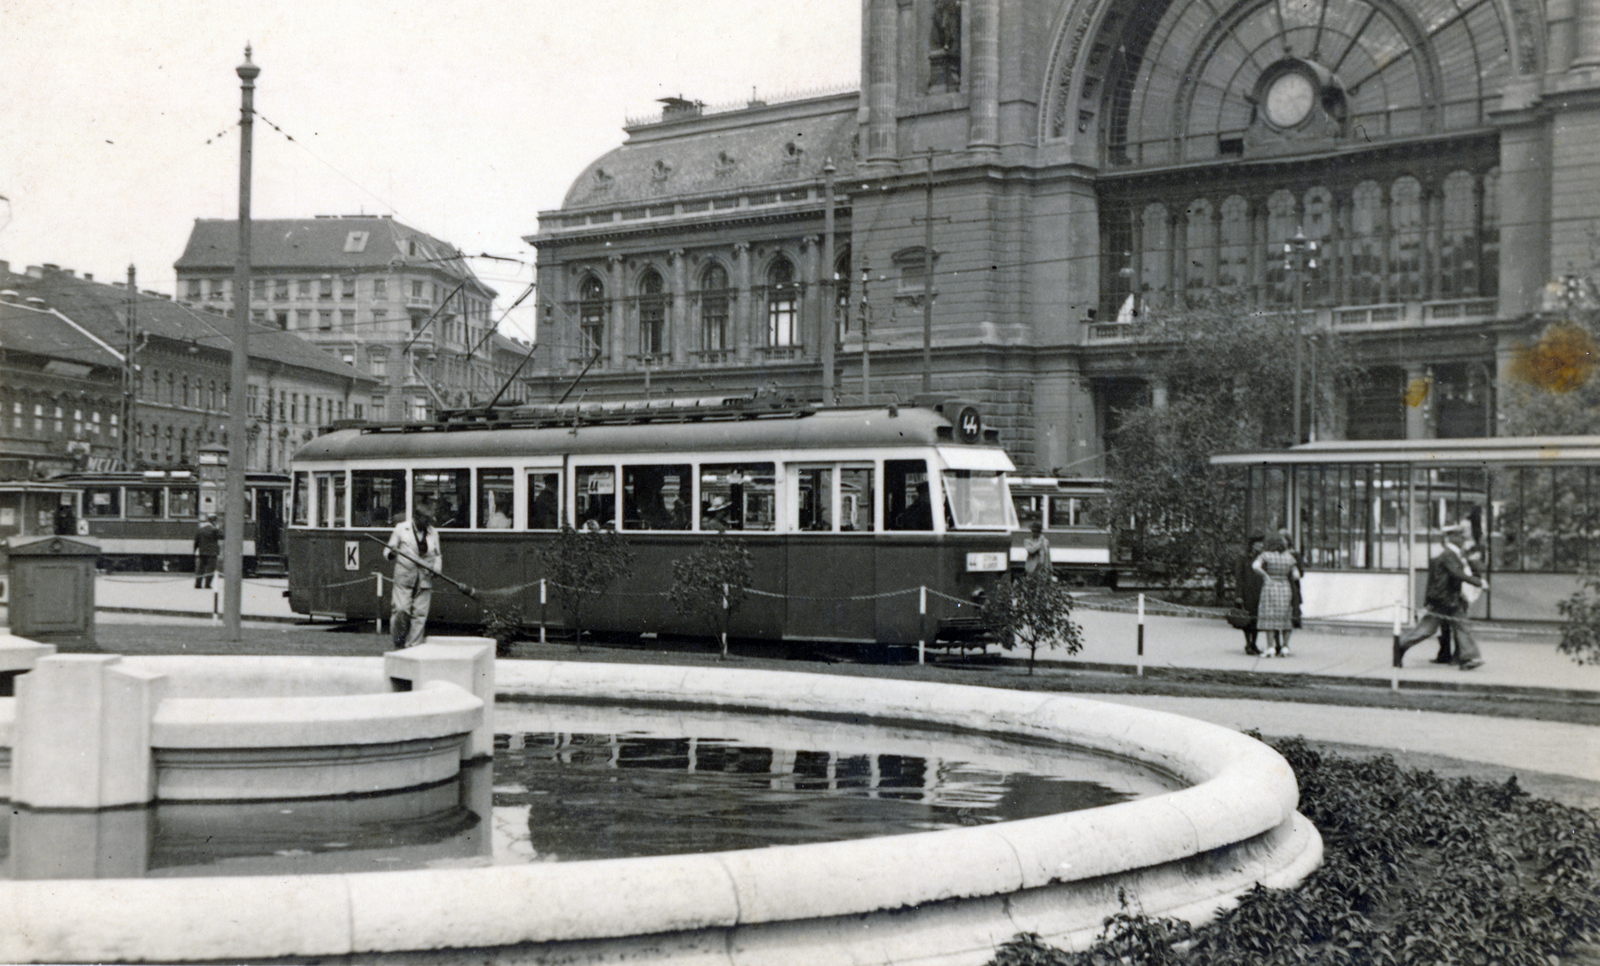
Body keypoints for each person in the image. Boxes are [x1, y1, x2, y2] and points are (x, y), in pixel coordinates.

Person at [1394, 525, 1486, 670]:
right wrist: (1479, 582)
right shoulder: (1448, 555)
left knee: (1463, 626)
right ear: (1452, 538)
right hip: (1443, 600)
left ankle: (1469, 658)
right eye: (1461, 537)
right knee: (1426, 630)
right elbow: (1456, 573)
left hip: (1452, 599)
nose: (1463, 540)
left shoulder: (1453, 554)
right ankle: (1399, 646)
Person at [385, 495, 442, 649]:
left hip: (425, 578)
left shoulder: (433, 532)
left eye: (430, 520)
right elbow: (388, 550)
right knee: (401, 610)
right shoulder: (401, 529)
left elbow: (437, 555)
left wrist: (437, 568)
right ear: (417, 517)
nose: (428, 523)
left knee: (420, 616)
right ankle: (399, 643)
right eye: (426, 519)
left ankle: (413, 648)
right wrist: (392, 553)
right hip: (404, 578)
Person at [1252, 532, 1300, 657]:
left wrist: (1265, 575)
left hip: (1270, 586)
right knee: (1285, 616)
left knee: (1269, 616)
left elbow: (1255, 566)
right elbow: (1296, 575)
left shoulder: (1266, 555)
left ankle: (1270, 647)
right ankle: (1285, 647)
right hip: (1285, 587)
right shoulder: (1289, 557)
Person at [1236, 534, 1265, 655]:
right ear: (1252, 545)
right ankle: (1248, 643)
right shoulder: (1243, 557)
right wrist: (1238, 595)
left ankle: (1254, 643)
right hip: (1247, 592)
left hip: (1260, 592)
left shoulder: (1262, 558)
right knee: (1247, 619)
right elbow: (1239, 577)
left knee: (1257, 619)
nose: (1260, 546)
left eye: (1261, 544)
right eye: (1258, 543)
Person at [193, 514, 220, 589]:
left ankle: (198, 584)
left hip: (202, 552)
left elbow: (196, 542)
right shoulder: (214, 530)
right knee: (210, 569)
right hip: (212, 553)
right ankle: (207, 584)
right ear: (214, 521)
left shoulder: (200, 529)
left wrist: (195, 550)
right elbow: (222, 536)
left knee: (200, 568)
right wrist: (217, 528)